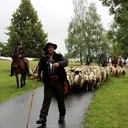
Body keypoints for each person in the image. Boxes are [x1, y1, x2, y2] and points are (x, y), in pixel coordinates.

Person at [35, 42, 68, 126]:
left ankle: (62, 115)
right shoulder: (43, 59)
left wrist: (59, 63)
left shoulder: (59, 56)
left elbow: (66, 61)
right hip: (48, 82)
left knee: (60, 99)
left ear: (54, 49)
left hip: (58, 81)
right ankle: (43, 117)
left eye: (52, 47)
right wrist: (37, 73)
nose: (50, 48)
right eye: (49, 47)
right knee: (46, 99)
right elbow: (39, 68)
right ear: (46, 49)